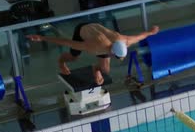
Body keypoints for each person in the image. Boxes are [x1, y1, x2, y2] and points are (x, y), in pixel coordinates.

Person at [27, 23, 159, 85]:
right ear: (112, 52)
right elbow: (66, 42)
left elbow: (140, 36)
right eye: (118, 57)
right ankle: (61, 61)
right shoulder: (94, 47)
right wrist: (42, 38)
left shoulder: (125, 41)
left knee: (105, 70)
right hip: (83, 32)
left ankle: (96, 69)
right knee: (74, 57)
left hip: (99, 32)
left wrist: (151, 32)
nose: (119, 59)